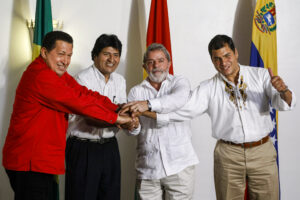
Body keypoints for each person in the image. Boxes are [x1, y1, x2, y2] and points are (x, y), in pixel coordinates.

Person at [155, 35, 296, 200]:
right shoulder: (208, 88)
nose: (223, 63)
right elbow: (182, 110)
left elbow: (284, 104)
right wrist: (148, 109)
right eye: (217, 59)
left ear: (236, 53)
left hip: (262, 152)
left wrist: (284, 90)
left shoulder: (261, 75)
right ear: (212, 61)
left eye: (227, 56)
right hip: (228, 155)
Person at [2, 31, 132, 200]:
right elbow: (79, 103)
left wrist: (117, 107)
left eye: (69, 55)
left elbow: (84, 94)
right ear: (44, 52)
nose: (66, 61)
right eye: (61, 54)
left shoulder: (57, 75)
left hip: (40, 161)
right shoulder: (41, 76)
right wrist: (117, 118)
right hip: (29, 162)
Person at [123, 43, 199, 200]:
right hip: (148, 167)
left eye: (160, 60)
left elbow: (176, 102)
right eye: (151, 62)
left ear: (169, 63)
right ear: (144, 66)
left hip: (180, 166)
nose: (156, 65)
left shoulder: (179, 82)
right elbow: (132, 129)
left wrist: (147, 105)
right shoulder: (136, 91)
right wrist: (133, 125)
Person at [65, 34, 136, 200]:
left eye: (116, 55)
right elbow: (89, 117)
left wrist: (131, 119)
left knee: (110, 195)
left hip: (109, 148)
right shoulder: (82, 79)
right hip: (84, 149)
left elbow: (121, 110)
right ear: (95, 55)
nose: (112, 59)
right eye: (106, 54)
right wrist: (121, 121)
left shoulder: (120, 80)